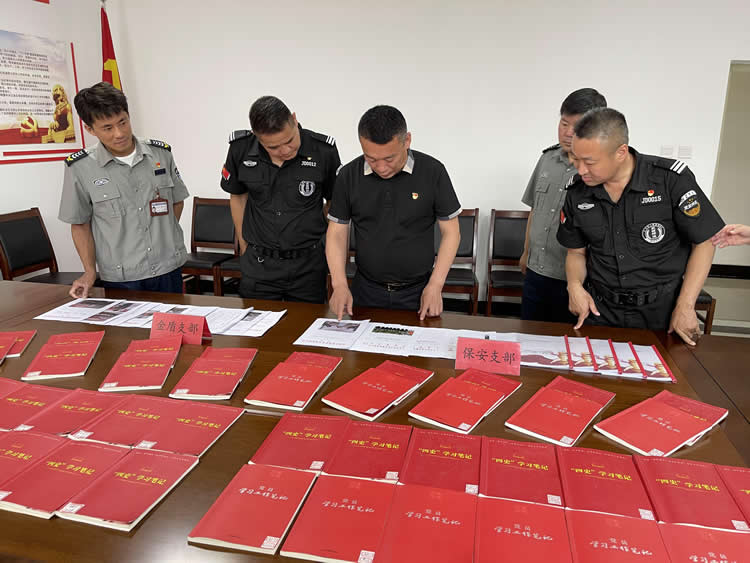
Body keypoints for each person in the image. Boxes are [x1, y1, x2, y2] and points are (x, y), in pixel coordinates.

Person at [557, 108, 724, 346]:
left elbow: (705, 242)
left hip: (663, 311)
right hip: (600, 310)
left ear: (620, 152)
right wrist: (574, 286)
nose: (581, 170)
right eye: (575, 159)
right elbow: (575, 251)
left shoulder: (669, 180)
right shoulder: (578, 191)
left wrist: (686, 305)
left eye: (590, 162)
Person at [326, 105, 461, 320]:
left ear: (407, 141)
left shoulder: (433, 172)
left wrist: (436, 285)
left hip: (419, 291)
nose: (381, 167)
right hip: (366, 289)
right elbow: (336, 233)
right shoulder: (348, 176)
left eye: (389, 159)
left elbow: (451, 232)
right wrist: (339, 284)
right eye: (371, 159)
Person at [58, 82, 188, 298]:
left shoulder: (160, 153)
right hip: (122, 277)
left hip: (168, 268)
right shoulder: (80, 167)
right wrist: (89, 271)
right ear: (90, 129)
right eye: (107, 128)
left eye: (123, 122)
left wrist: (162, 235)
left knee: (172, 320)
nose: (119, 133)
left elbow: (177, 201)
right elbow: (80, 224)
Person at [220, 96, 340, 302]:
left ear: (294, 119)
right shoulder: (241, 149)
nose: (285, 151)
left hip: (308, 266)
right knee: (257, 322)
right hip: (259, 264)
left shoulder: (323, 151)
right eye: (273, 147)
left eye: (289, 141)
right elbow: (238, 196)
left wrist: (326, 247)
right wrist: (243, 244)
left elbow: (333, 204)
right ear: (256, 136)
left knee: (306, 321)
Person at [520, 88, 607, 322]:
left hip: (576, 279)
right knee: (528, 333)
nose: (568, 133)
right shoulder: (547, 159)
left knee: (567, 340)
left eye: (576, 126)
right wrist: (526, 252)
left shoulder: (601, 170)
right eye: (564, 123)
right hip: (536, 270)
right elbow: (535, 210)